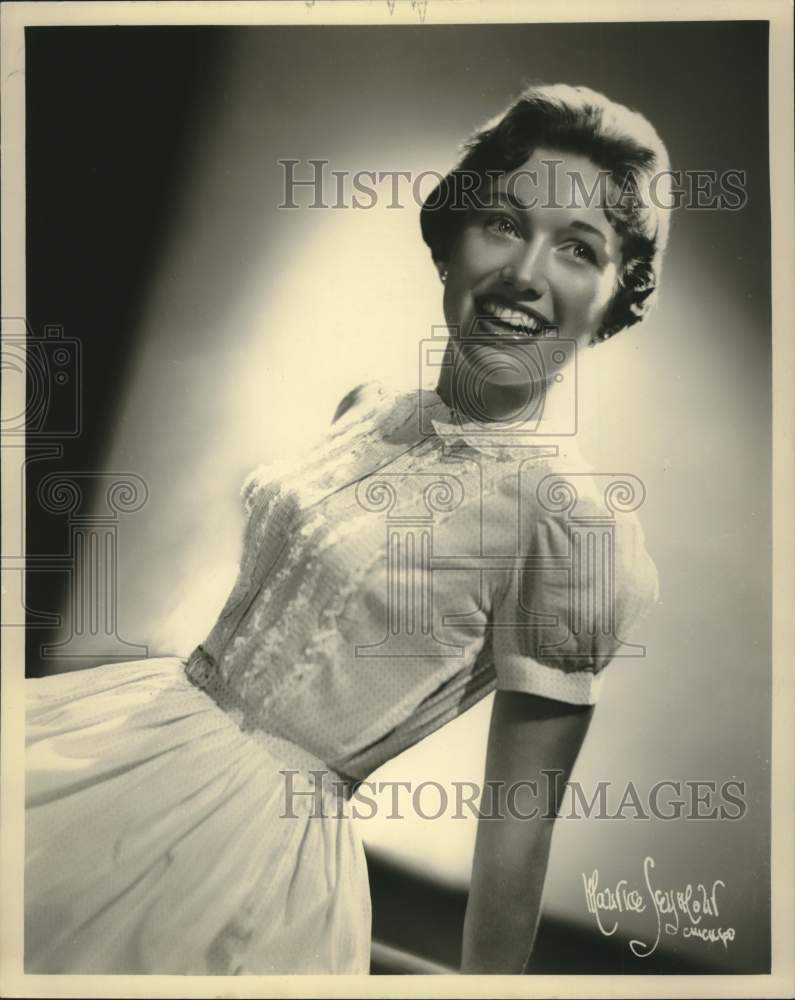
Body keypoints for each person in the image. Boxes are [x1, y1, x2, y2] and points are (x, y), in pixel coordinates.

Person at [24, 83, 670, 975]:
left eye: (576, 249)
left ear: (611, 300)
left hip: (248, 862)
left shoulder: (567, 521)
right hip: (137, 736)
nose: (524, 273)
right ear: (450, 238)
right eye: (502, 223)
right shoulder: (368, 409)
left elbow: (518, 833)